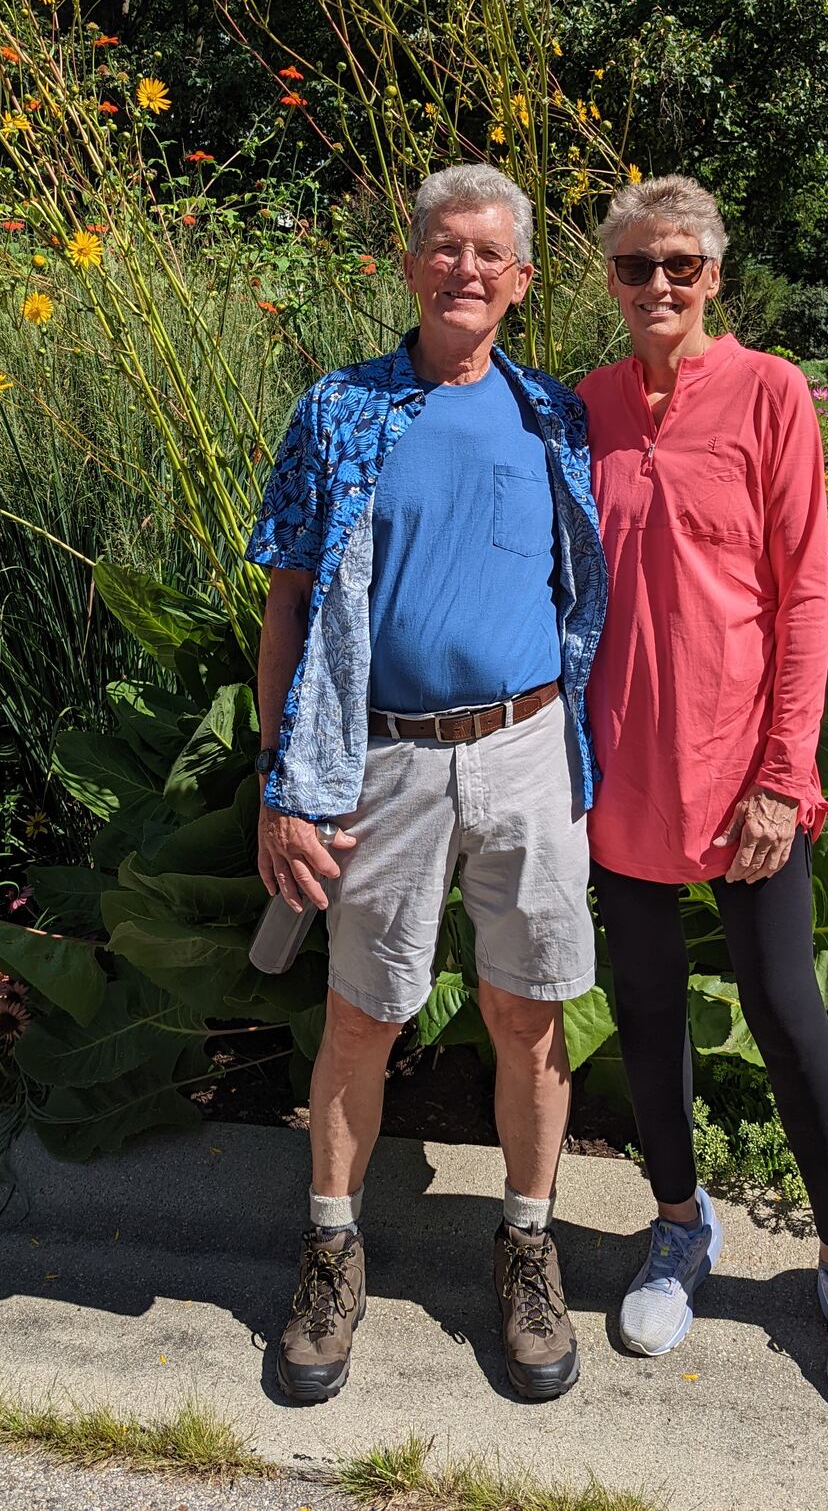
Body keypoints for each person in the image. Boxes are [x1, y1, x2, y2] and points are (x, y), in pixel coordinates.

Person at [247, 164, 606, 1405]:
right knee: (364, 1015)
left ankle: (525, 1245)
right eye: (441, 248)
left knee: (530, 1014)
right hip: (382, 758)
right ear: (408, 266)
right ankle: (332, 1249)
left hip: (527, 749)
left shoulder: (555, 417)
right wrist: (283, 783)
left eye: (487, 253)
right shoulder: (341, 410)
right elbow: (287, 600)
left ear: (520, 280)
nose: (463, 269)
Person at [578, 174, 828, 1410]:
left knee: (784, 1012)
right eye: (632, 265)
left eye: (677, 263)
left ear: (713, 273)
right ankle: (678, 1226)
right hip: (623, 773)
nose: (655, 284)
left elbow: (804, 594)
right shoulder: (589, 407)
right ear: (607, 280)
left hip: (745, 777)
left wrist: (786, 773)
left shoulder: (770, 395)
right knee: (648, 1016)